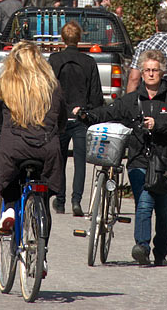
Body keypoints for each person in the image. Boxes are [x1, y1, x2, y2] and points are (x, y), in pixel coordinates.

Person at [73, 49, 167, 265]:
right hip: (139, 160)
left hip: (165, 162)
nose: (151, 74)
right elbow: (110, 111)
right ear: (142, 73)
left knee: (164, 210)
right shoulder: (133, 99)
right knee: (144, 203)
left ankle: (160, 252)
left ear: (162, 73)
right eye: (147, 70)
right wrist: (86, 115)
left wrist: (160, 125)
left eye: (155, 70)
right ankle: (142, 247)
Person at [0, 41, 67, 233]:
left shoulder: (7, 84)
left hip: (14, 149)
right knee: (44, 196)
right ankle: (42, 250)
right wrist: (59, 130)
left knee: (10, 181)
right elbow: (62, 116)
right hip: (46, 150)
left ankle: (9, 209)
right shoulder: (52, 86)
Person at [127, 8, 167, 204]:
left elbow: (134, 77)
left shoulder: (145, 45)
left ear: (156, 24)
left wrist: (130, 101)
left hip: (150, 103)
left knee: (149, 146)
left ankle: (150, 181)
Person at [49, 21, 104, 216]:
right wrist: (91, 112)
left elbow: (48, 90)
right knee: (80, 161)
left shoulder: (54, 60)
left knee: (60, 159)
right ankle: (76, 200)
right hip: (81, 116)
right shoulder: (89, 62)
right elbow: (96, 94)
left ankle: (61, 199)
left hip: (60, 117)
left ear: (63, 39)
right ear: (79, 39)